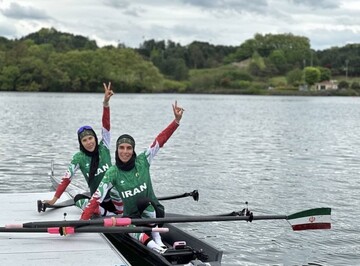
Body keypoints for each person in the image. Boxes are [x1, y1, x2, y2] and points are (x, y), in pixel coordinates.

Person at [80, 101, 184, 253]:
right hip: (131, 218)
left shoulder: (143, 160)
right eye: (121, 148)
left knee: (145, 202)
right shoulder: (112, 173)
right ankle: (157, 247)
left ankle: (157, 238)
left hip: (154, 213)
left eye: (129, 148)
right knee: (127, 224)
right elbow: (96, 198)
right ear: (117, 150)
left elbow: (160, 140)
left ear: (133, 150)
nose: (125, 151)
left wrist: (176, 121)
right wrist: (80, 222)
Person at [44, 82, 122, 216]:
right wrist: (53, 200)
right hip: (98, 201)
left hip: (116, 197)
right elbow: (66, 180)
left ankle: (119, 212)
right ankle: (109, 215)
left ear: (95, 139)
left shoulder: (104, 146)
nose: (89, 142)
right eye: (84, 140)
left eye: (90, 138)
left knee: (116, 189)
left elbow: (106, 125)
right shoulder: (79, 158)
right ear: (81, 142)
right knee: (78, 198)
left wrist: (105, 104)